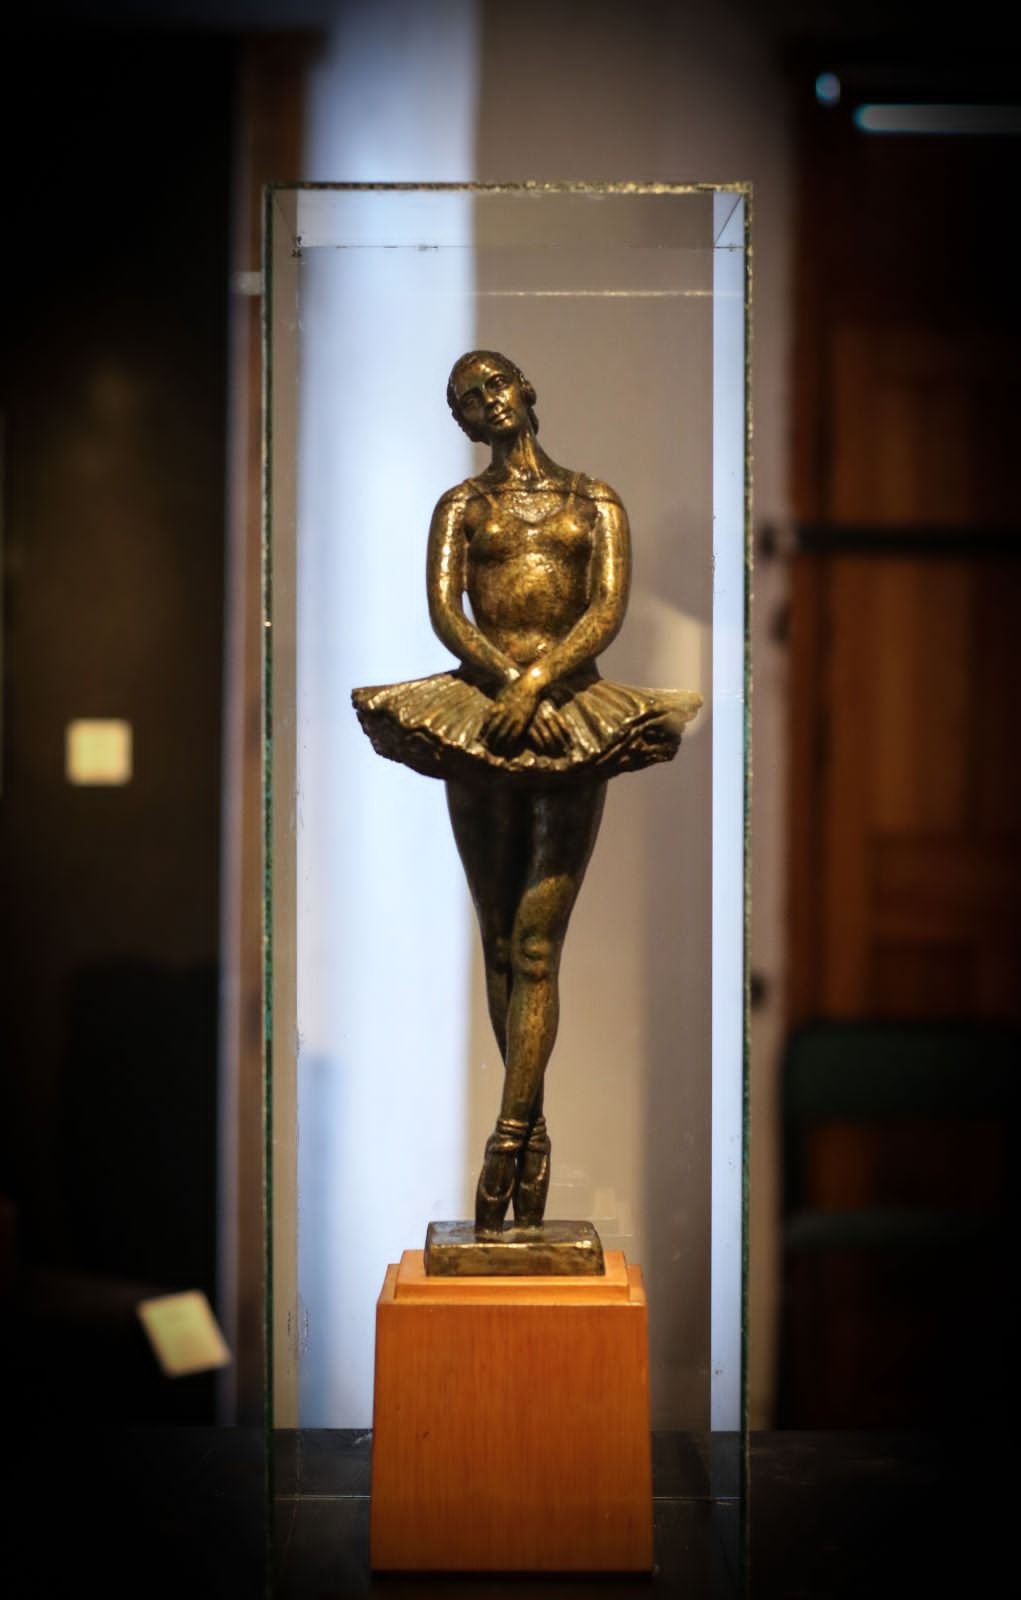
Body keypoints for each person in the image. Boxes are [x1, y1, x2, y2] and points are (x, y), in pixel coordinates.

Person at [353, 350, 700, 1235]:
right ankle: (535, 1132)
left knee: (539, 943)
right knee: (498, 941)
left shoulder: (594, 500)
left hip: (569, 711)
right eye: (468, 399)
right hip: (483, 712)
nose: (487, 401)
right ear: (462, 422)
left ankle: (508, 1140)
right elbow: (446, 611)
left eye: (495, 384)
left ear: (527, 390)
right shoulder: (462, 506)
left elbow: (606, 608)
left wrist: (539, 683)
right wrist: (508, 687)